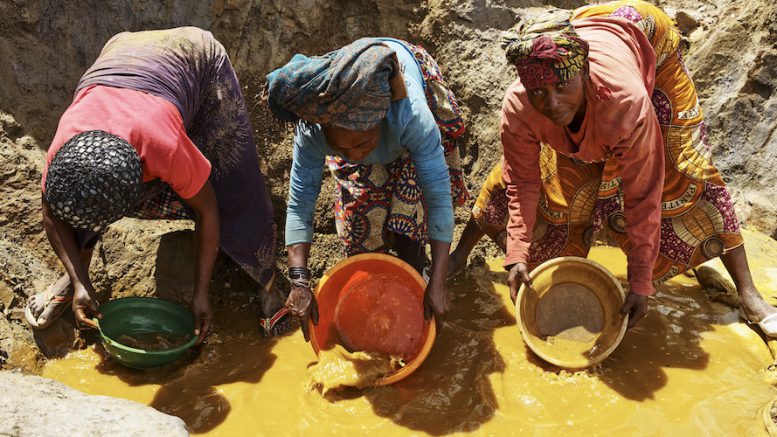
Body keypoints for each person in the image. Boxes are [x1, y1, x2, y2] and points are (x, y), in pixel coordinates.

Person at [448, 0, 777, 335]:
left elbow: (642, 193)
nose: (552, 102)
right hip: (579, 34)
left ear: (585, 72)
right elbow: (522, 181)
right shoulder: (521, 105)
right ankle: (458, 257)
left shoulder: (625, 102)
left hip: (648, 40)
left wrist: (639, 284)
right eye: (539, 92)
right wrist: (518, 252)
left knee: (685, 172)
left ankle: (750, 296)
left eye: (561, 87)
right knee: (559, 186)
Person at [25, 27, 290, 340]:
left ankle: (268, 283)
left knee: (231, 177)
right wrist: (82, 281)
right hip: (121, 54)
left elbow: (207, 210)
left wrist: (200, 293)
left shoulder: (161, 145)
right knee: (83, 201)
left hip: (194, 57)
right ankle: (75, 282)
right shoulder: (65, 153)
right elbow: (52, 211)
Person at [266, 37, 468, 340]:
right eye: (340, 146)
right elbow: (300, 204)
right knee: (360, 230)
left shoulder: (410, 116)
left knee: (409, 214)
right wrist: (299, 281)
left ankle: (416, 270)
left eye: (362, 143)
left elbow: (438, 200)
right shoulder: (314, 127)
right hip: (356, 110)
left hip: (407, 110)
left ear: (380, 120)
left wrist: (438, 283)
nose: (355, 153)